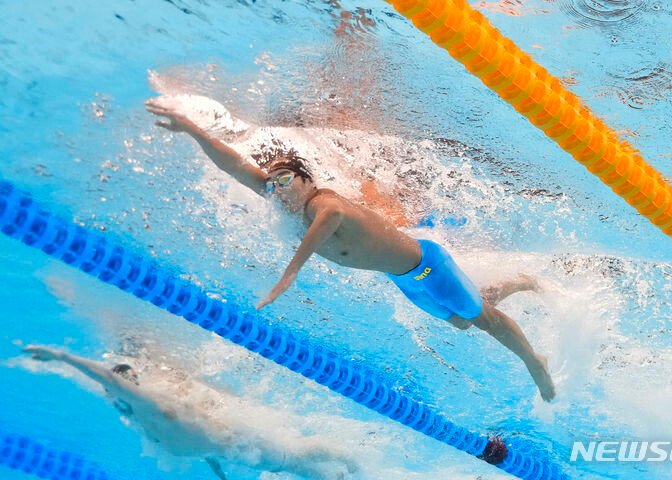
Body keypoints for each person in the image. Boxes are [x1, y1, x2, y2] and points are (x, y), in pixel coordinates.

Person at [145, 97, 556, 402]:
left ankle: (533, 361)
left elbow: (331, 222)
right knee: (464, 320)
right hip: (406, 279)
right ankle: (515, 283)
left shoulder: (324, 203)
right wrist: (191, 130)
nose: (276, 188)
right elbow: (233, 164)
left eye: (285, 179)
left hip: (429, 265)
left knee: (484, 320)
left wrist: (289, 275)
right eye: (271, 184)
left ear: (306, 179)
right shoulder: (285, 201)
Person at [22, 345, 358, 480]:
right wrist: (218, 468)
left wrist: (60, 356)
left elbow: (108, 377)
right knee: (294, 462)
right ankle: (351, 467)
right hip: (229, 448)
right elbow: (195, 433)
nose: (113, 392)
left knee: (294, 461)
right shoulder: (136, 413)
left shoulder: (144, 402)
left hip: (238, 443)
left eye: (118, 386)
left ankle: (357, 466)